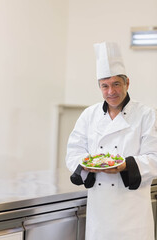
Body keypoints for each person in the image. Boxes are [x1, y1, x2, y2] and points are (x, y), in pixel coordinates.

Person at [65, 41, 157, 240]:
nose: (111, 91)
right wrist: (86, 165)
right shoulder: (89, 115)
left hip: (133, 213)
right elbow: (73, 152)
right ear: (99, 86)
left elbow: (154, 157)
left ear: (127, 83)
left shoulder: (146, 115)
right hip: (100, 213)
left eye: (116, 84)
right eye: (105, 86)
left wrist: (125, 165)